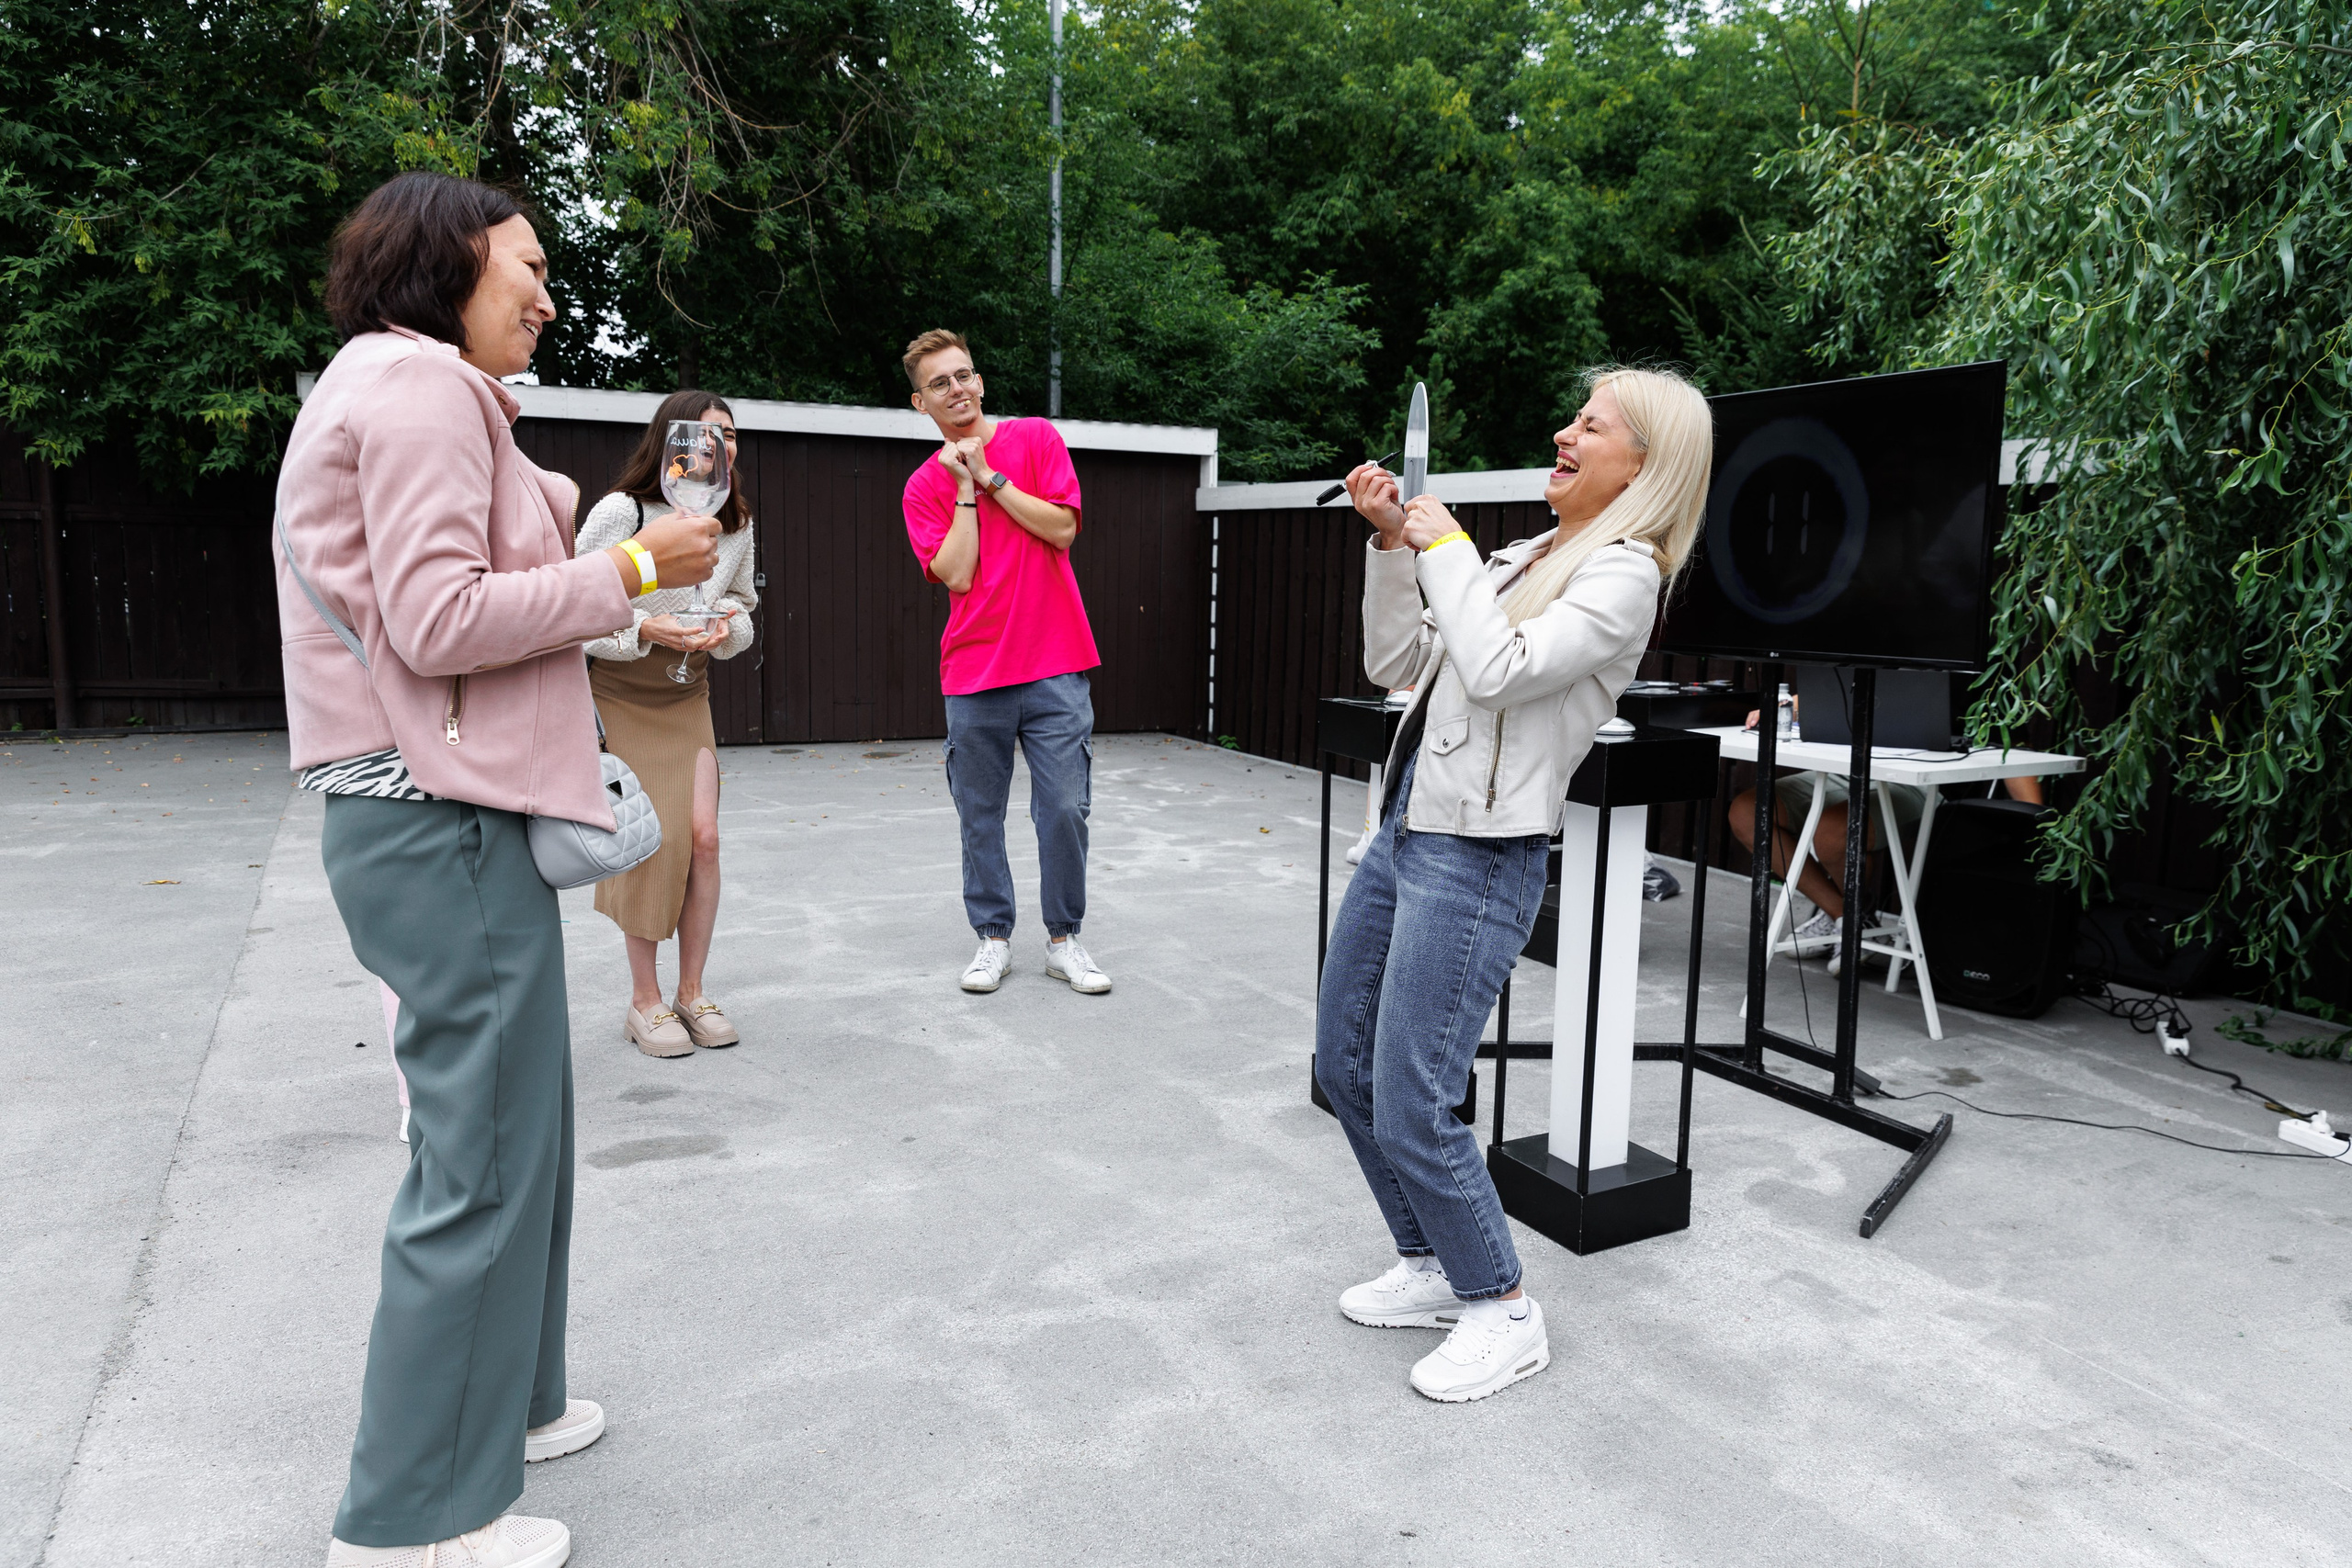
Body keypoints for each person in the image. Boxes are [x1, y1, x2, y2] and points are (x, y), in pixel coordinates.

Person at [278, 170, 719, 1568]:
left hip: (435, 815)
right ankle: (411, 1523)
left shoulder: (407, 387)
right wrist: (635, 571)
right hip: (437, 818)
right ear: (443, 265)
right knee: (478, 1159)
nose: (546, 296)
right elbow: (438, 618)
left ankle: (509, 1407)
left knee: (522, 1129)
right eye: (526, 266)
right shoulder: (416, 388)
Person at [1317, 367, 1713, 1404]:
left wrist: (1443, 545)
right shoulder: (1522, 556)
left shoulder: (1623, 575)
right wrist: (1392, 546)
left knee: (1413, 1091)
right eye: (1572, 416)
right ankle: (1430, 1264)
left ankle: (1501, 1305)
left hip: (1481, 854)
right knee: (1345, 1064)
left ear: (1647, 465)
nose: (1564, 433)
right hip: (1407, 829)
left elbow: (1496, 671)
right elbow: (1396, 662)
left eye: (1592, 424)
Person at [898, 328, 1111, 996]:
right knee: (980, 815)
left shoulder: (1036, 439)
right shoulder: (922, 487)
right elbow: (958, 574)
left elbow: (1062, 528)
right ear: (920, 402)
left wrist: (989, 477)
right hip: (975, 673)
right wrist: (963, 488)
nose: (956, 388)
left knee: (1064, 809)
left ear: (980, 382)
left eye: (963, 374)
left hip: (1056, 664)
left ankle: (1063, 939)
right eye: (939, 383)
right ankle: (992, 938)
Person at [574, 389, 759, 1056]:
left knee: (703, 839)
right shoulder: (622, 511)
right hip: (625, 692)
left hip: (689, 691)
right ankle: (643, 1001)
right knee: (652, 844)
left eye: (729, 435)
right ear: (670, 442)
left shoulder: (734, 521)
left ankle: (692, 992)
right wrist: (647, 627)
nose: (720, 445)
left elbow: (741, 604)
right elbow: (575, 605)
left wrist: (724, 628)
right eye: (705, 434)